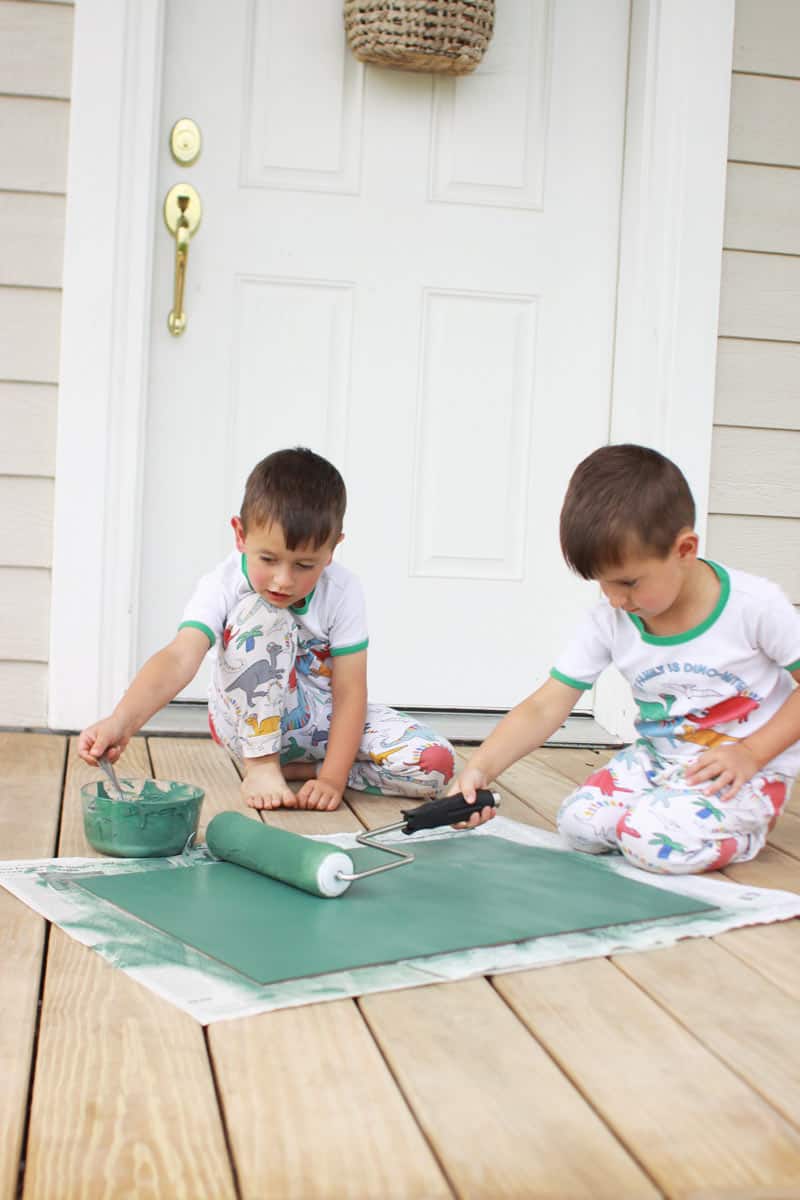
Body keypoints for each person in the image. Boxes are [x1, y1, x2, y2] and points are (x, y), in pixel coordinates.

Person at [452, 443, 800, 874]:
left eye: (629, 582)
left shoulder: (753, 606)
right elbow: (546, 705)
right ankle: (663, 809)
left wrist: (751, 752)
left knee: (647, 842)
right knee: (580, 826)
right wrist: (481, 769)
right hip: (658, 757)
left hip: (740, 768)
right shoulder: (610, 618)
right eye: (603, 584)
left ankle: (744, 830)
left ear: (685, 549)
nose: (616, 599)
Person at [79, 447, 457, 811]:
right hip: (247, 721)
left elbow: (350, 689)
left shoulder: (343, 590)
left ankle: (296, 771)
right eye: (268, 559)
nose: (283, 580)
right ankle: (261, 765)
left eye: (305, 565)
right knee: (266, 615)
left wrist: (332, 778)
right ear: (240, 535)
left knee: (437, 764)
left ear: (333, 549)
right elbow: (179, 657)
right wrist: (121, 721)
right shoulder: (223, 583)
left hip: (320, 722)